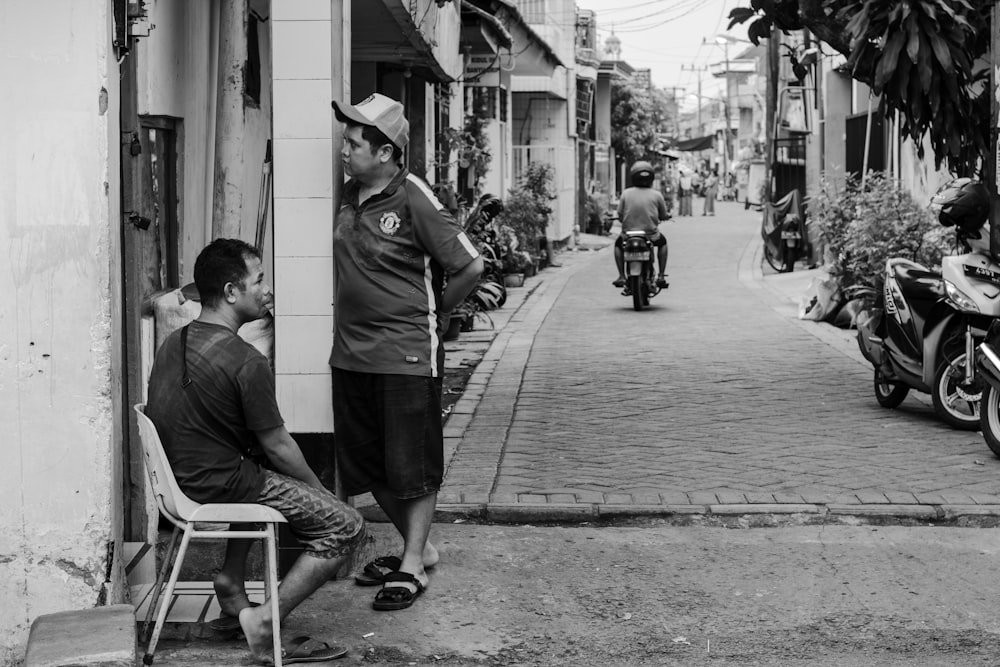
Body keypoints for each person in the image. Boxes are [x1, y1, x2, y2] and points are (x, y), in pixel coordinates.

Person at [145, 238, 365, 663]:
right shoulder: (247, 361)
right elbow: (280, 447)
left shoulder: (175, 341)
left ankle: (229, 580)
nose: (267, 290)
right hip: (217, 484)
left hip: (180, 480)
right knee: (347, 525)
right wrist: (322, 494)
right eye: (259, 280)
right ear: (231, 292)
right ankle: (265, 622)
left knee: (257, 455)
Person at [329, 93, 484, 611]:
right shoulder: (349, 193)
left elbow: (470, 265)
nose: (343, 150)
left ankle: (412, 562)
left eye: (353, 143)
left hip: (406, 354)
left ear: (387, 152)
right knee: (369, 465)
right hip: (351, 354)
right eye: (346, 141)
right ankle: (425, 550)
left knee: (412, 465)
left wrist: (437, 314)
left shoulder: (412, 195)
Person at [611, 160, 670, 290]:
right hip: (651, 235)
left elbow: (620, 214)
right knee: (663, 243)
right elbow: (663, 214)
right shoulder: (656, 194)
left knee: (618, 245)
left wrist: (622, 219)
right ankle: (660, 275)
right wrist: (665, 217)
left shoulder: (626, 193)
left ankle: (621, 275)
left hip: (628, 235)